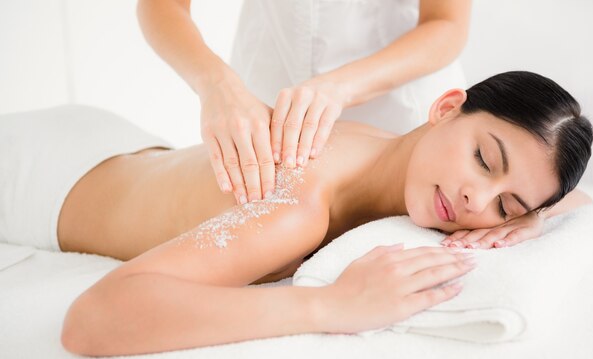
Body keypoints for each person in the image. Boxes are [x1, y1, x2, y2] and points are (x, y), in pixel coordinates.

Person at [0, 71, 593, 357]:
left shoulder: (396, 152)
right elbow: (93, 319)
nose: (474, 202)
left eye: (504, 204)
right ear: (445, 107)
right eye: (484, 160)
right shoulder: (299, 208)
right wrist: (330, 305)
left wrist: (531, 217)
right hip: (37, 174)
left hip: (122, 144)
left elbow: (580, 195)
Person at [136, 0, 471, 206]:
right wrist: (215, 85)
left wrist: (340, 87)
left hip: (402, 103)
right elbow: (161, 4)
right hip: (262, 100)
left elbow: (447, 22)